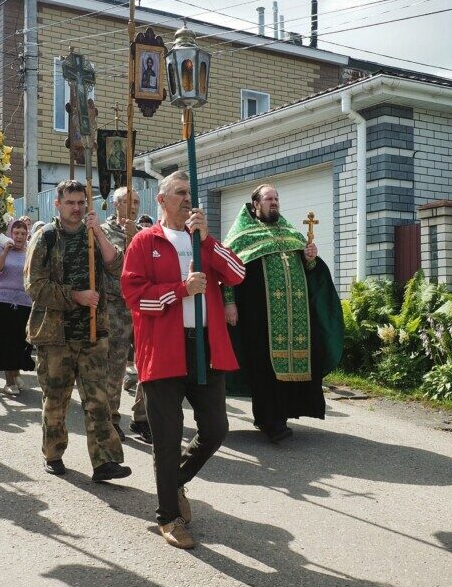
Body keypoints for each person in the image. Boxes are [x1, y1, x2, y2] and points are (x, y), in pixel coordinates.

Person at [122, 171, 246, 549]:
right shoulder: (145, 242)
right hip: (163, 349)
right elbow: (135, 297)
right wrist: (180, 290)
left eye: (189, 193)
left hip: (206, 347)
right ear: (161, 201)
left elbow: (238, 273)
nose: (187, 199)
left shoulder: (202, 241)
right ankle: (168, 517)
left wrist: (208, 240)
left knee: (215, 428)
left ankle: (173, 483)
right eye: (179, 193)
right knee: (167, 436)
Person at [24, 179, 130, 482]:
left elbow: (116, 267)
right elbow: (34, 286)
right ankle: (53, 452)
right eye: (70, 203)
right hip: (55, 335)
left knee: (98, 399)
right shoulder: (45, 238)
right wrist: (75, 296)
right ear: (57, 205)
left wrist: (98, 232)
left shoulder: (93, 234)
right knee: (56, 398)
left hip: (94, 332)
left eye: (81, 202)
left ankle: (105, 461)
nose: (77, 208)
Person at [223, 184, 343, 443]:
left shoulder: (291, 233)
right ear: (256, 204)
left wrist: (310, 258)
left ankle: (283, 413)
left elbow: (310, 270)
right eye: (268, 198)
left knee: (293, 363)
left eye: (276, 198)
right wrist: (229, 303)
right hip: (259, 315)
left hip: (294, 316)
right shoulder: (242, 236)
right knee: (263, 365)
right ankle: (269, 419)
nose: (274, 202)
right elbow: (227, 272)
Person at [101, 187, 151, 442]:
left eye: (137, 202)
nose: (133, 206)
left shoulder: (144, 234)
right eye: (128, 201)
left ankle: (142, 417)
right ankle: (111, 418)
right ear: (116, 204)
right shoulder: (103, 232)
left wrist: (136, 238)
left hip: (142, 307)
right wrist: (128, 241)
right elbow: (112, 266)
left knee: (147, 365)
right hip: (116, 307)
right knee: (116, 366)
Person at [0, 218, 34, 397]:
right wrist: (6, 250)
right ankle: (9, 381)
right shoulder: (0, 247)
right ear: (10, 234)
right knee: (5, 342)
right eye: (16, 233)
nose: (20, 236)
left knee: (20, 342)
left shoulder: (30, 250)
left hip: (24, 302)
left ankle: (16, 372)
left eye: (23, 233)